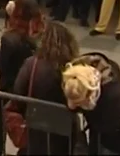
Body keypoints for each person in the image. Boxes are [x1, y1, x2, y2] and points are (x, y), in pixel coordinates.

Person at [11, 21, 81, 155]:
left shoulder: (32, 64)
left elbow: (18, 93)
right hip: (64, 128)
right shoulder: (74, 68)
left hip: (36, 125)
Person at [62, 52, 120, 155]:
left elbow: (106, 126)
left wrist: (84, 109)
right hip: (99, 133)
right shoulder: (78, 73)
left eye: (81, 102)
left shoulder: (115, 95)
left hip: (119, 141)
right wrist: (74, 105)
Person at [0, 0, 41, 156]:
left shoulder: (9, 38)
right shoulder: (37, 33)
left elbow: (2, 65)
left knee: (1, 124)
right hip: (28, 86)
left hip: (8, 87)